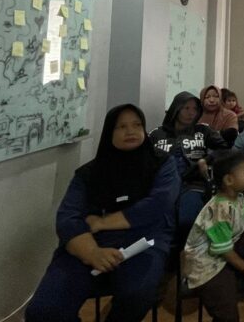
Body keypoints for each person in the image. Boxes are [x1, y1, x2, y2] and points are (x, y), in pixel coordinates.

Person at [25, 104, 179, 322]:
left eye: (137, 125)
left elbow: (158, 204)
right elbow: (68, 218)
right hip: (90, 243)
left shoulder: (161, 163)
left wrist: (103, 222)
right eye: (121, 126)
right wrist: (92, 252)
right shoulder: (89, 173)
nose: (130, 131)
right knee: (44, 310)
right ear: (109, 132)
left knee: (136, 294)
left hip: (142, 241)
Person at [182, 150, 244, 322]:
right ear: (229, 180)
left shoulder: (238, 199)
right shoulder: (219, 209)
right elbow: (223, 250)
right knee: (227, 313)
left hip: (229, 248)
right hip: (208, 263)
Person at [151, 91, 230, 239]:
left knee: (187, 220)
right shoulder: (157, 134)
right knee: (160, 223)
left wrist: (206, 160)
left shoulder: (203, 131)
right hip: (164, 186)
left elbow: (225, 149)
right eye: (186, 108)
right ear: (176, 109)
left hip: (193, 183)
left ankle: (186, 249)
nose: (191, 113)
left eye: (194, 109)